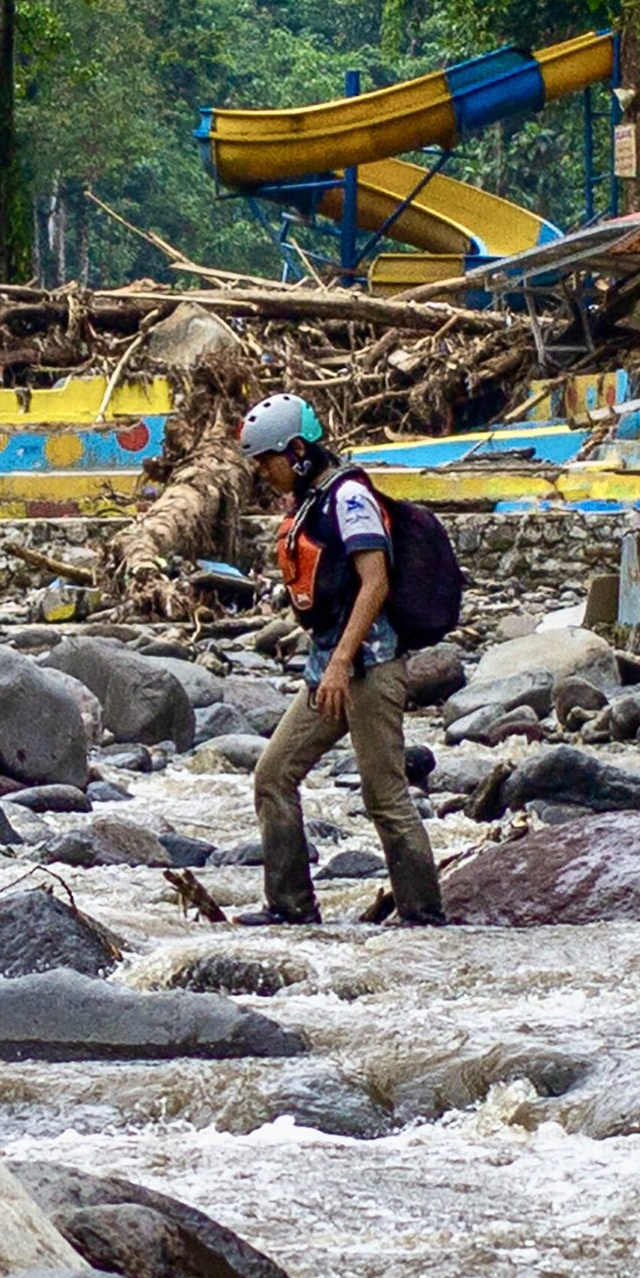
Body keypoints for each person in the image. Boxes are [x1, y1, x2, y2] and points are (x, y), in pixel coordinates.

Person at [234, 392, 443, 925]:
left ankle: (424, 916)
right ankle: (290, 906)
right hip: (330, 667)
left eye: (268, 461)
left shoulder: (349, 497)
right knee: (273, 775)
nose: (264, 473)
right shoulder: (309, 502)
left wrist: (341, 663)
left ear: (298, 451)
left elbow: (375, 584)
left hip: (369, 668)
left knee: (384, 795)